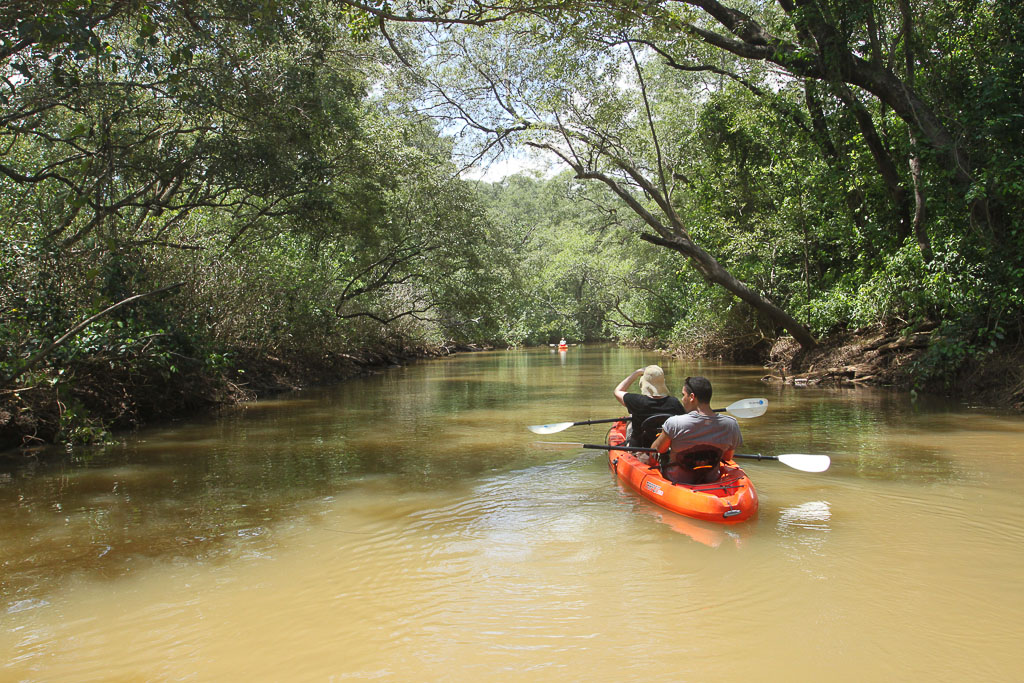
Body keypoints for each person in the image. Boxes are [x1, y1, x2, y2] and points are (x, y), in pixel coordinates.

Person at [651, 376, 742, 485]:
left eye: (683, 395)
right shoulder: (731, 424)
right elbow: (727, 457)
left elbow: (658, 449)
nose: (682, 399)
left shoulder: (674, 423)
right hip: (712, 479)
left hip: (679, 480)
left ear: (692, 397)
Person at [613, 365, 684, 447]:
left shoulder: (636, 401)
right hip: (665, 448)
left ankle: (629, 447)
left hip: (640, 448)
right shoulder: (674, 402)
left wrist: (637, 373)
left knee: (630, 420)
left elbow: (617, 391)